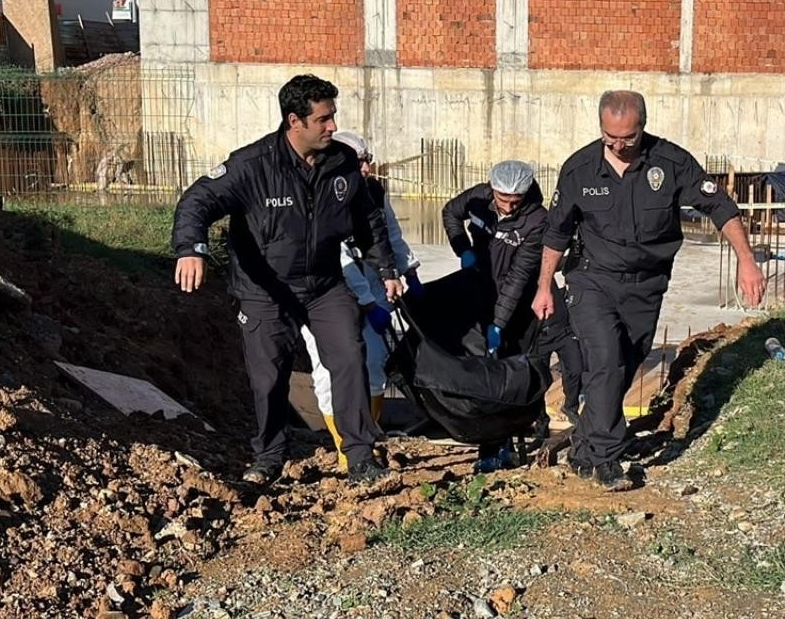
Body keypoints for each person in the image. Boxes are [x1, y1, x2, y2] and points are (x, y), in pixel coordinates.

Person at [171, 75, 402, 487]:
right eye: (324, 119)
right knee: (269, 376)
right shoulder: (253, 165)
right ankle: (269, 458)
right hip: (265, 290)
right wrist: (191, 248)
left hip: (325, 285)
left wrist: (386, 270)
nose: (332, 126)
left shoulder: (343, 163)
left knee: (351, 358)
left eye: (333, 117)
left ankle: (360, 457)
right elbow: (198, 200)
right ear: (295, 120)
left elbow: (368, 221)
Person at [533, 90, 765, 491]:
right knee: (605, 359)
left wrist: (746, 259)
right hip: (592, 279)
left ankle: (584, 449)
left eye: (628, 138)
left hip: (647, 284)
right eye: (610, 138)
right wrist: (544, 287)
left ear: (642, 126)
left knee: (626, 364)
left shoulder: (670, 163)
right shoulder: (579, 169)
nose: (619, 146)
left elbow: (720, 207)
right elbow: (556, 232)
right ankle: (607, 459)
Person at [441, 160, 582, 471]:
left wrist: (499, 323)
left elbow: (519, 278)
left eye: (514, 201)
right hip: (479, 290)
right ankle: (489, 448)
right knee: (484, 376)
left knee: (509, 375)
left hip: (516, 305)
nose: (506, 207)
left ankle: (508, 442)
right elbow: (451, 213)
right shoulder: (480, 198)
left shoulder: (536, 221)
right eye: (501, 199)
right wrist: (462, 247)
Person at [300, 130, 422, 470]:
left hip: (371, 280)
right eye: (360, 162)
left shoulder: (371, 191)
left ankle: (369, 440)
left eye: (368, 160)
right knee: (328, 369)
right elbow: (337, 257)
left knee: (374, 362)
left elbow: (388, 233)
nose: (367, 169)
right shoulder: (318, 195)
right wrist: (367, 302)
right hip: (324, 291)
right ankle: (344, 449)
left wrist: (407, 269)